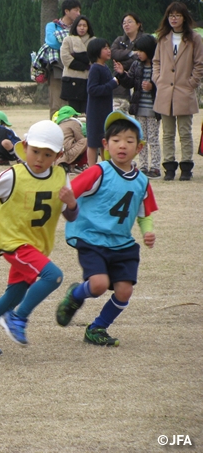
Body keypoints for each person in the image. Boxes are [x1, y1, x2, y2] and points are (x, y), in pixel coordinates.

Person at [0, 120, 77, 355]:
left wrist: (71, 204)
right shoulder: (14, 175)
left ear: (58, 155)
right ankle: (18, 318)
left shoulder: (60, 177)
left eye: (47, 154)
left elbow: (70, 216)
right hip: (13, 242)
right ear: (26, 146)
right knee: (54, 276)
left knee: (15, 293)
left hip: (36, 247)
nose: (40, 158)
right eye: (35, 151)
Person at [56, 111, 157, 347]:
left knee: (124, 292)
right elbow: (69, 192)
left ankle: (97, 328)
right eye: (116, 140)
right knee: (99, 285)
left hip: (122, 244)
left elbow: (144, 214)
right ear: (105, 144)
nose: (122, 146)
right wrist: (66, 201)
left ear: (139, 148)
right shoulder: (98, 172)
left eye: (129, 141)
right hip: (92, 239)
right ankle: (75, 295)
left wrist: (147, 231)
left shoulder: (142, 181)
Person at [152, 2, 203, 181]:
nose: (173, 18)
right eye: (171, 15)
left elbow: (199, 63)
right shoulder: (163, 38)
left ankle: (187, 166)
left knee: (185, 131)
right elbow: (156, 62)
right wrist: (157, 79)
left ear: (184, 17)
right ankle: (169, 166)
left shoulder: (195, 38)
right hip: (165, 90)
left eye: (177, 15)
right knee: (167, 132)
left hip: (184, 90)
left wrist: (191, 83)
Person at [115, 35, 161, 178]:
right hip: (139, 108)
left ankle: (155, 167)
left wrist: (152, 87)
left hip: (154, 109)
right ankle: (143, 166)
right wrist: (122, 74)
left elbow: (163, 85)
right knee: (141, 138)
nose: (138, 54)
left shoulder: (158, 66)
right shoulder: (136, 65)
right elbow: (129, 83)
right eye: (137, 51)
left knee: (153, 138)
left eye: (141, 51)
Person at [44, 0, 82, 118]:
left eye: (79, 10)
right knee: (56, 104)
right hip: (57, 68)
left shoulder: (80, 27)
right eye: (76, 10)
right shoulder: (52, 26)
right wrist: (72, 44)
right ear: (66, 11)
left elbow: (84, 45)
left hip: (76, 69)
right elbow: (52, 42)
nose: (78, 14)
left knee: (74, 104)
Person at [86, 38, 120, 166]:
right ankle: (91, 168)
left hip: (105, 110)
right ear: (96, 51)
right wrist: (112, 84)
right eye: (105, 48)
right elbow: (92, 89)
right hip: (95, 111)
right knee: (93, 142)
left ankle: (105, 165)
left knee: (103, 140)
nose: (108, 50)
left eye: (108, 48)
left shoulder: (104, 67)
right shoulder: (95, 68)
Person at [111, 12, 147, 111]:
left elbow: (143, 58)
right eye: (124, 23)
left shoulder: (145, 39)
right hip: (121, 83)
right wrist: (131, 53)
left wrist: (123, 62)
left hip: (141, 78)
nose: (126, 25)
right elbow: (113, 54)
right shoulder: (119, 40)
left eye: (129, 22)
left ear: (138, 24)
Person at [60, 15, 94, 113]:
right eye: (79, 25)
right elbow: (65, 58)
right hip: (71, 80)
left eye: (84, 25)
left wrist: (75, 55)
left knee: (86, 111)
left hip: (87, 79)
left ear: (88, 27)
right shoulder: (68, 40)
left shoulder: (94, 41)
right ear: (75, 27)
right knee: (73, 112)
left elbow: (94, 58)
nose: (82, 28)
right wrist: (85, 66)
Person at [54, 105, 88, 172]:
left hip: (58, 154)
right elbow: (80, 139)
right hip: (67, 153)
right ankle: (80, 165)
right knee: (86, 141)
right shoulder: (73, 123)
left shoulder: (59, 125)